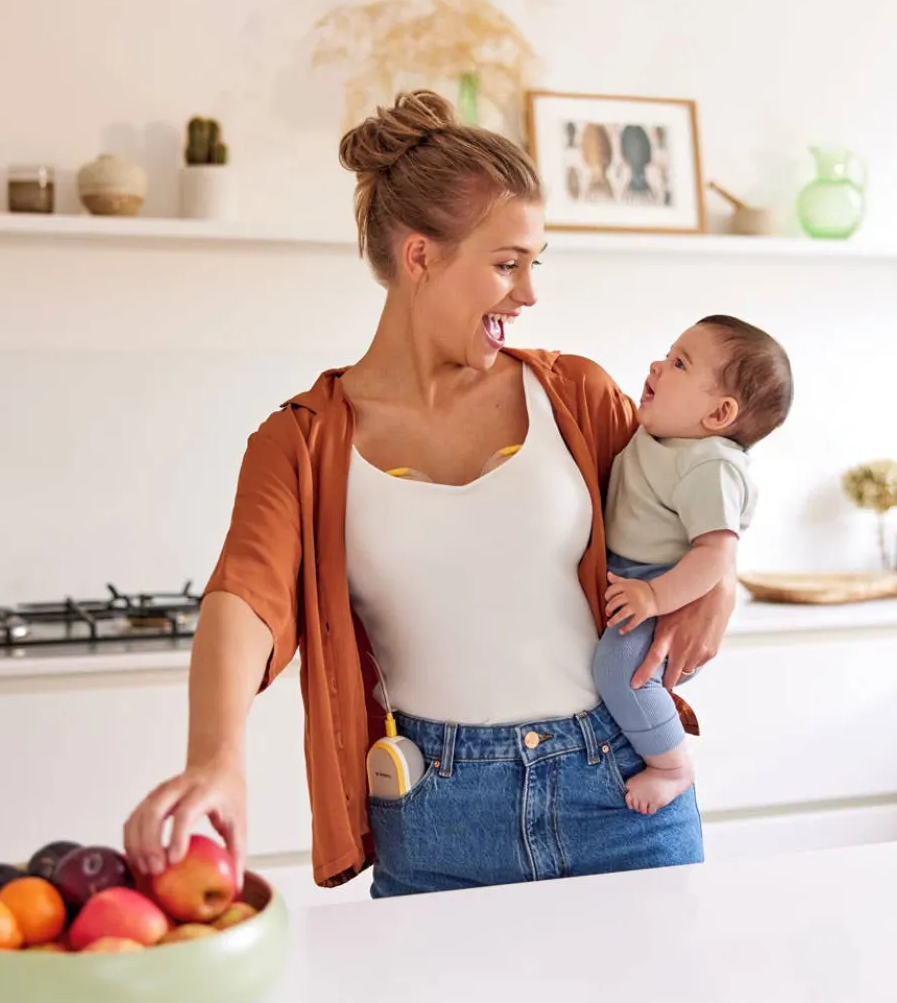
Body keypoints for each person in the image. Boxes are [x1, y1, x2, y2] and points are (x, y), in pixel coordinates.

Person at [123, 90, 737, 898]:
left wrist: (722, 574)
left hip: (619, 794)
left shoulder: (577, 397)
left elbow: (692, 494)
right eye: (506, 263)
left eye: (534, 264)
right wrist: (216, 761)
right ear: (420, 258)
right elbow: (244, 598)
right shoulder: (304, 442)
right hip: (440, 813)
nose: (528, 294)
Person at [597, 316, 793, 815]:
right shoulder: (662, 437)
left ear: (719, 412)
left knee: (622, 671)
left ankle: (672, 766)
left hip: (662, 585)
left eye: (680, 363)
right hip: (633, 576)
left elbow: (714, 554)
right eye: (669, 354)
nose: (658, 366)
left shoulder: (710, 463)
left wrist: (655, 597)